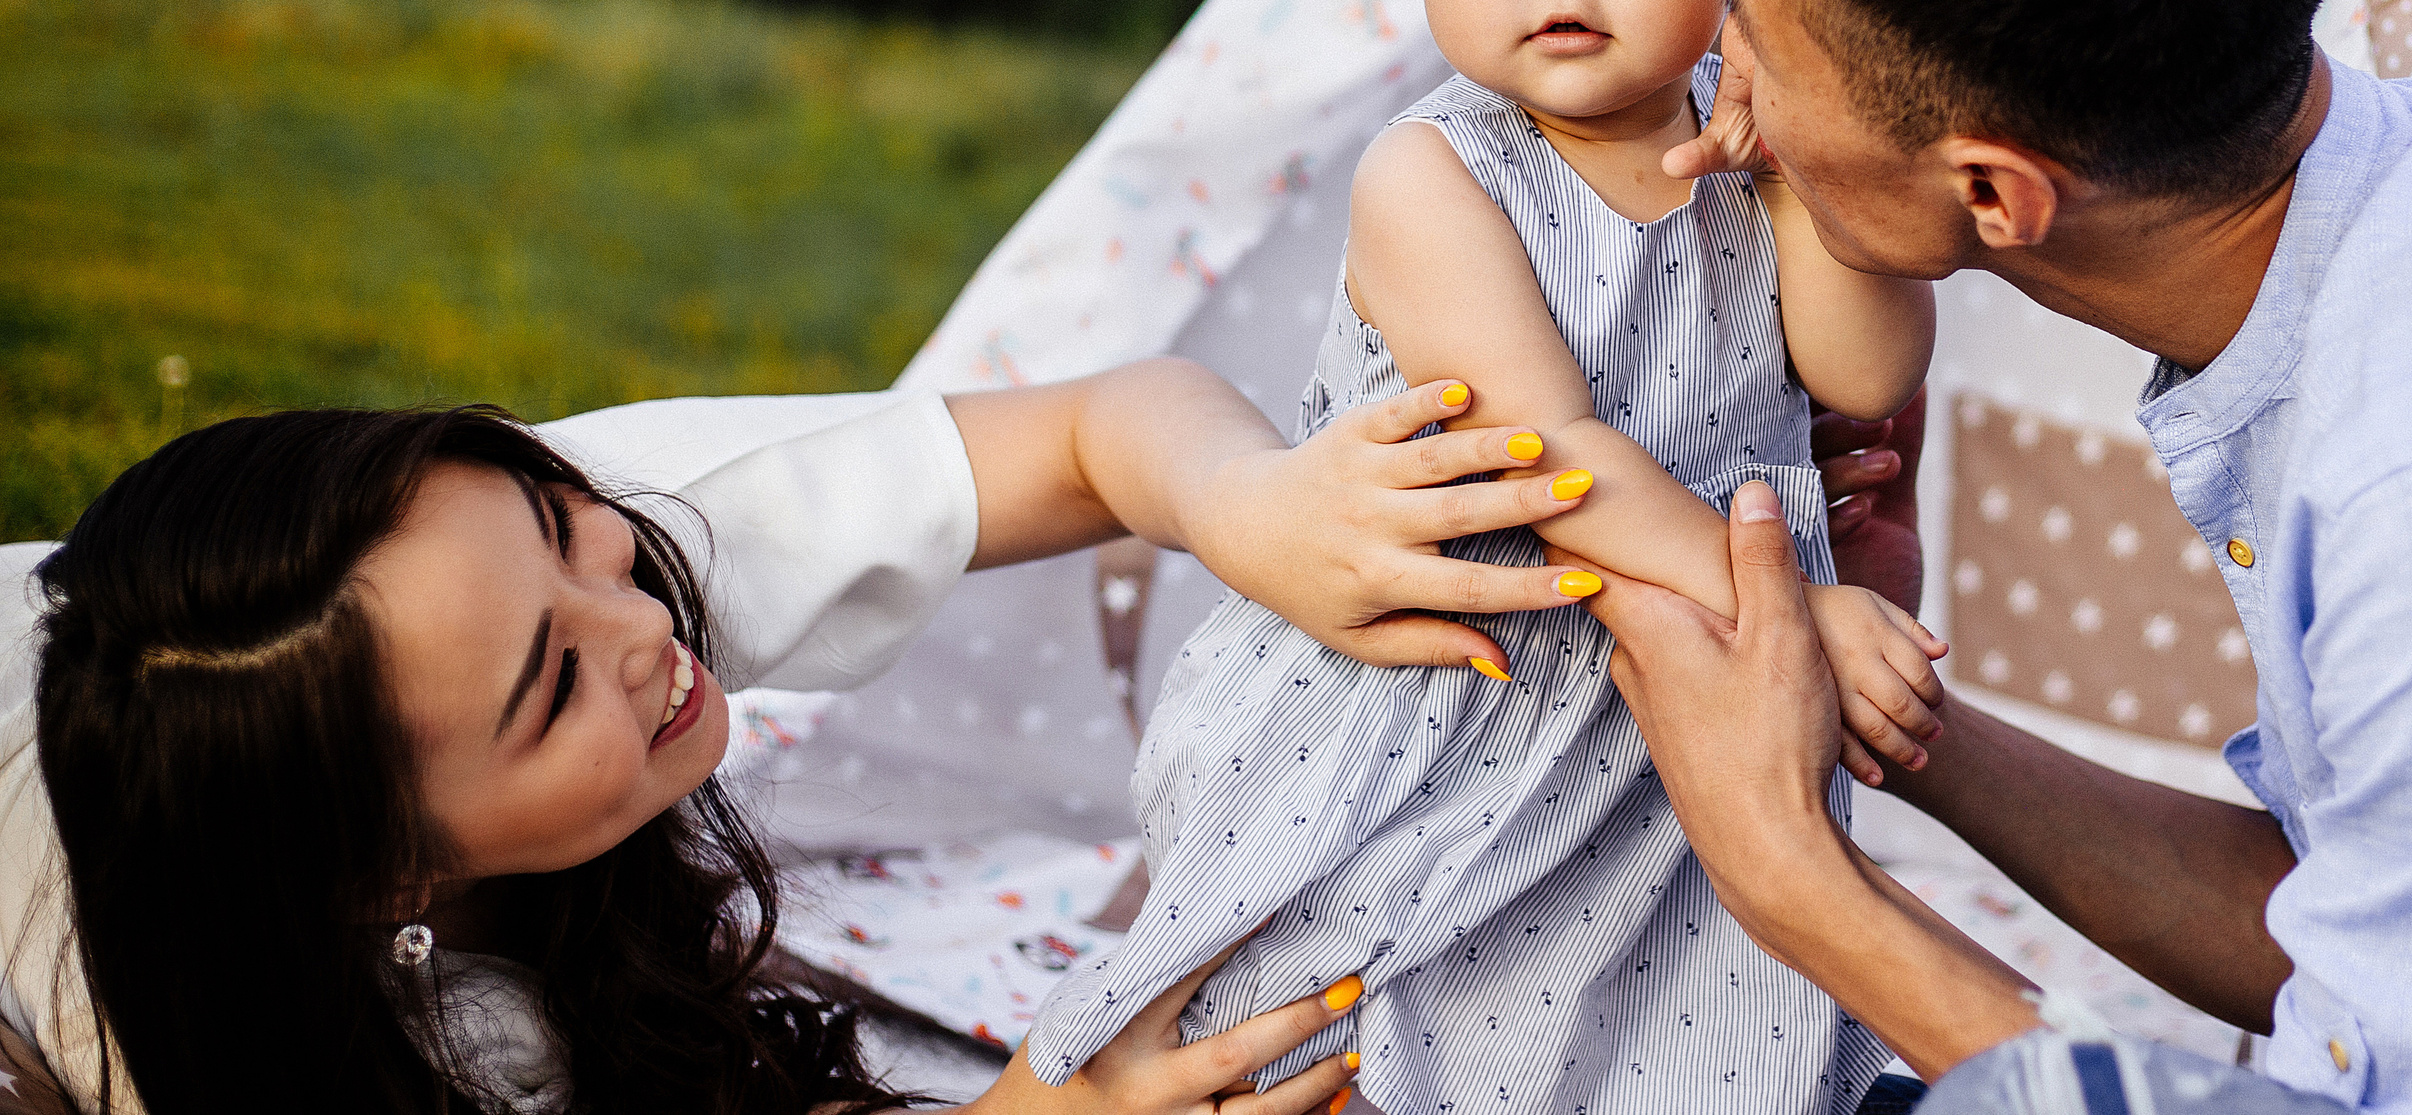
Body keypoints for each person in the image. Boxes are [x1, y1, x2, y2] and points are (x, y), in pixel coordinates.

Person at [1580, 0, 2412, 1112]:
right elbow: (2380, 941)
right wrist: (1894, 717)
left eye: (1763, 46)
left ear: (1993, 193)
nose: (1724, 79)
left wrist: (1795, 879)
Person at [1028, 0, 1946, 1115]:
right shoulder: (1435, 177)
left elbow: (1860, 374)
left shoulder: (1750, 141)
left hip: (1676, 714)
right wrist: (1798, 615)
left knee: (1686, 1021)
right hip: (1459, 693)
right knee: (1372, 1025)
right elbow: (1553, 461)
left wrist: (1806, 158)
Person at [0, 361, 1600, 1115]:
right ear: (382, 877)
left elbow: (1102, 426)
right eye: (551, 692)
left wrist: (1257, 509)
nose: (644, 631)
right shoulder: (202, 1041)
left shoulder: (484, 557)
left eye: (575, 529)